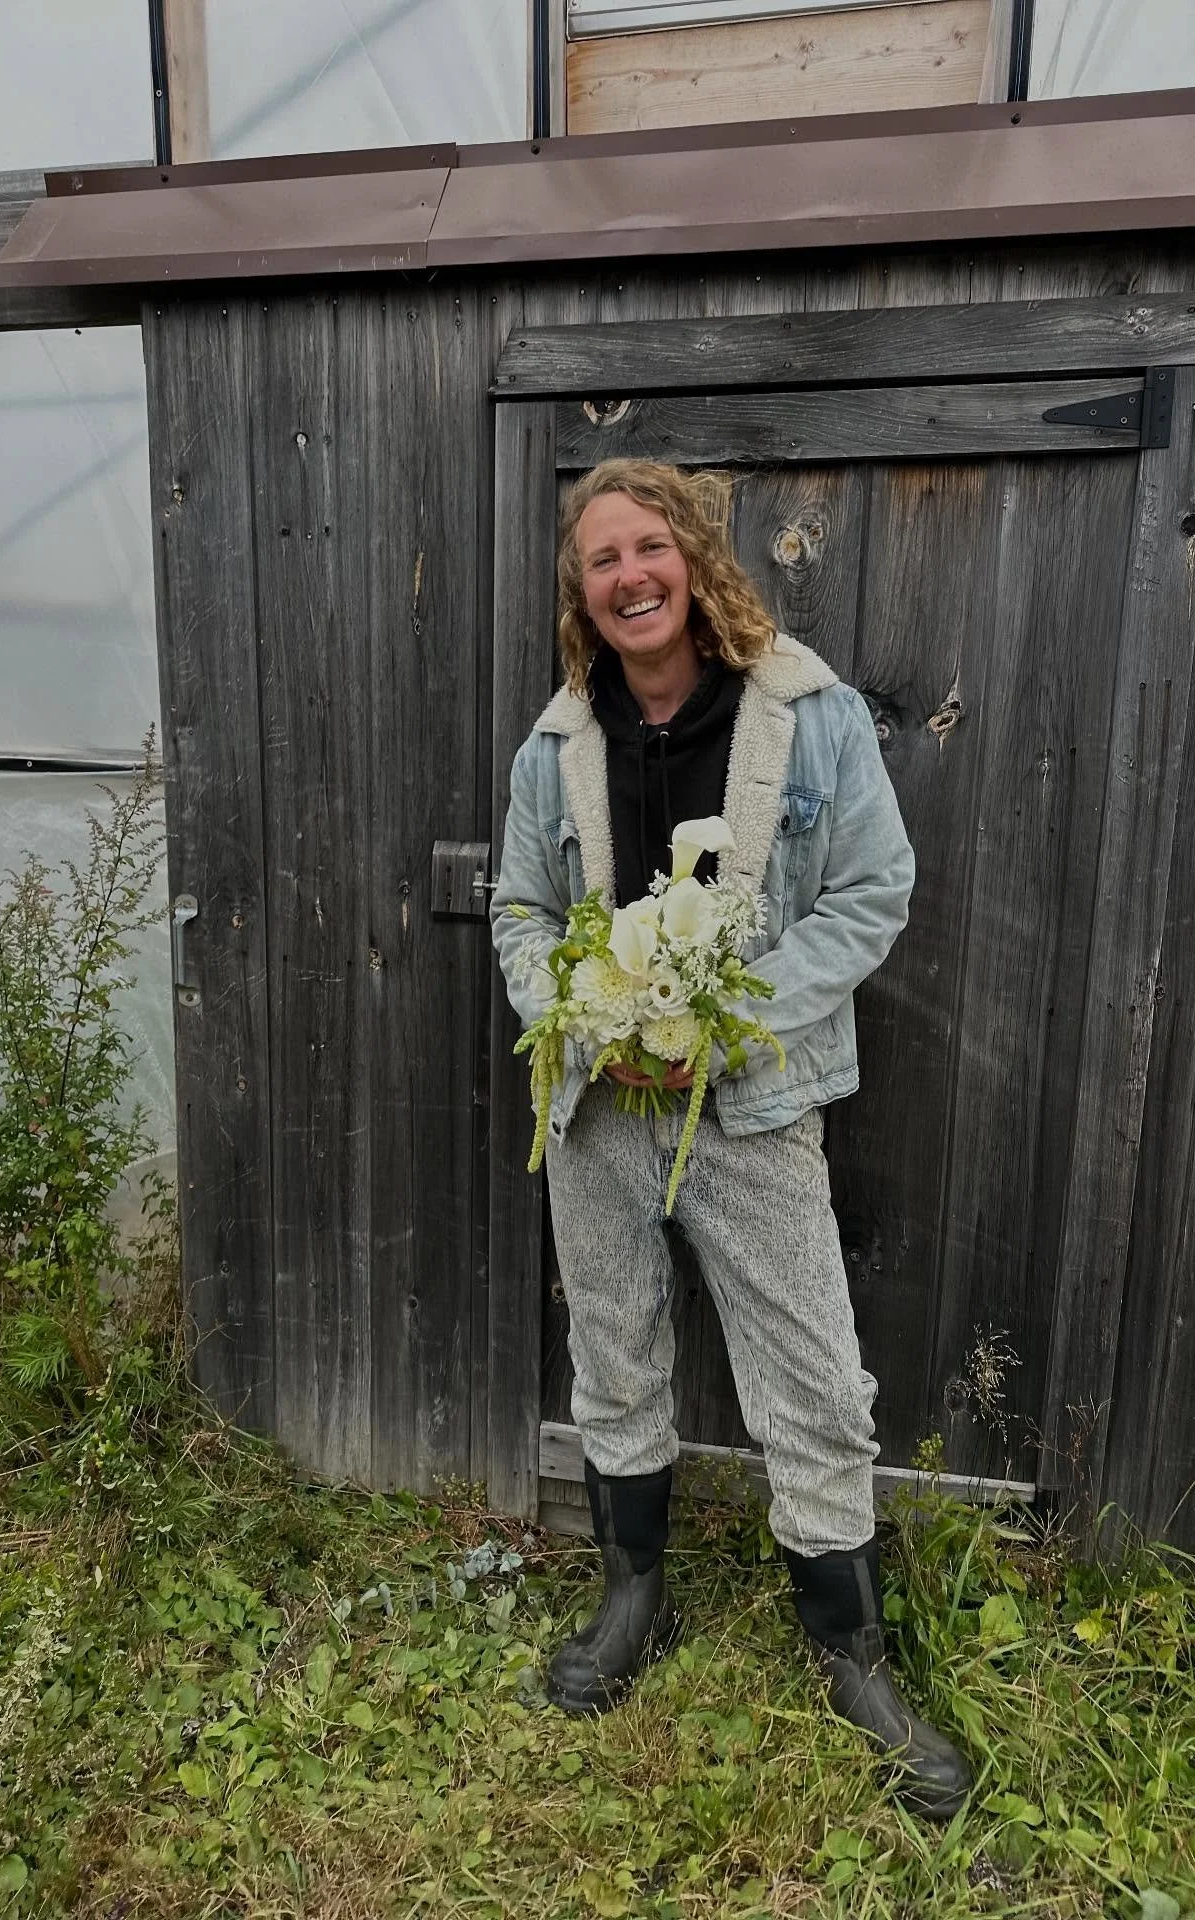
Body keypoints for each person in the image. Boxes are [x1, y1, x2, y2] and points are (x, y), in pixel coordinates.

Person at [489, 458, 973, 1821]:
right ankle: (630, 1596)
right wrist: (578, 1010)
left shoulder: (808, 717)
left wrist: (725, 1015)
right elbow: (523, 909)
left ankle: (852, 1652)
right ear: (581, 592)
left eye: (649, 548)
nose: (629, 576)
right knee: (613, 1350)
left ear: (695, 560)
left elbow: (873, 891)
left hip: (752, 1111)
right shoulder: (557, 746)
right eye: (602, 560)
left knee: (813, 1378)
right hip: (598, 1112)